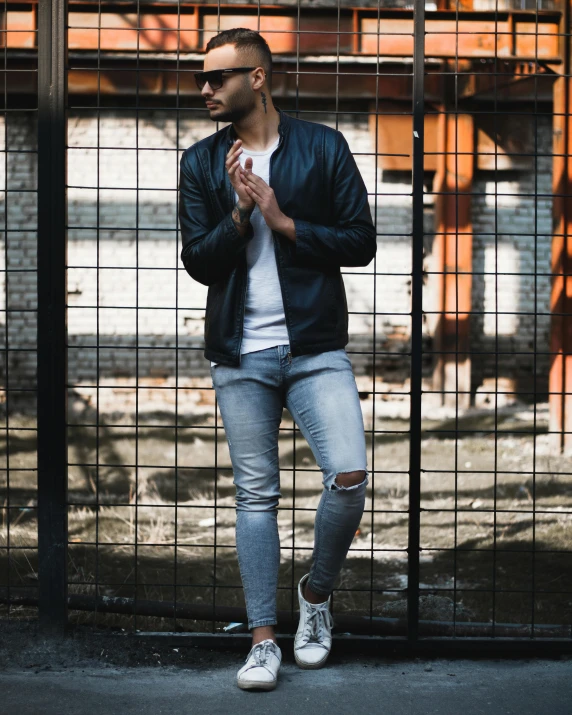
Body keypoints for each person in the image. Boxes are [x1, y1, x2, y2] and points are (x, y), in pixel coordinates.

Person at [179, 28, 376, 691]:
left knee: (349, 473)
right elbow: (199, 263)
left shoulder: (322, 147)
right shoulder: (201, 163)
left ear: (258, 77)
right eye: (201, 78)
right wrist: (239, 214)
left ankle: (315, 598)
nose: (203, 88)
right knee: (255, 496)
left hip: (315, 348)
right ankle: (264, 639)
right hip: (240, 353)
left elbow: (361, 240)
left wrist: (285, 221)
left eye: (216, 77)